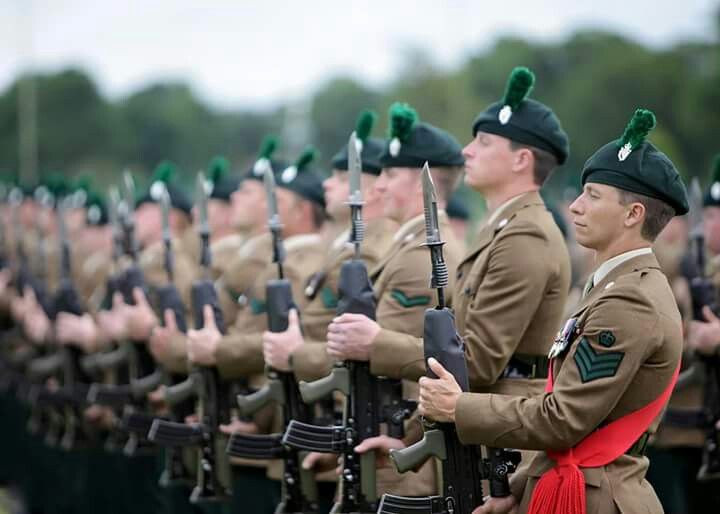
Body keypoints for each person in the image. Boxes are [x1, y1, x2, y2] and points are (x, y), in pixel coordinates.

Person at [418, 108, 688, 514]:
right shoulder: (615, 285)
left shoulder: (631, 301)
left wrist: (459, 408)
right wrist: (517, 488)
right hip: (573, 483)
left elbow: (563, 419)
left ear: (634, 214)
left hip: (598, 498)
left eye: (593, 196)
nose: (575, 207)